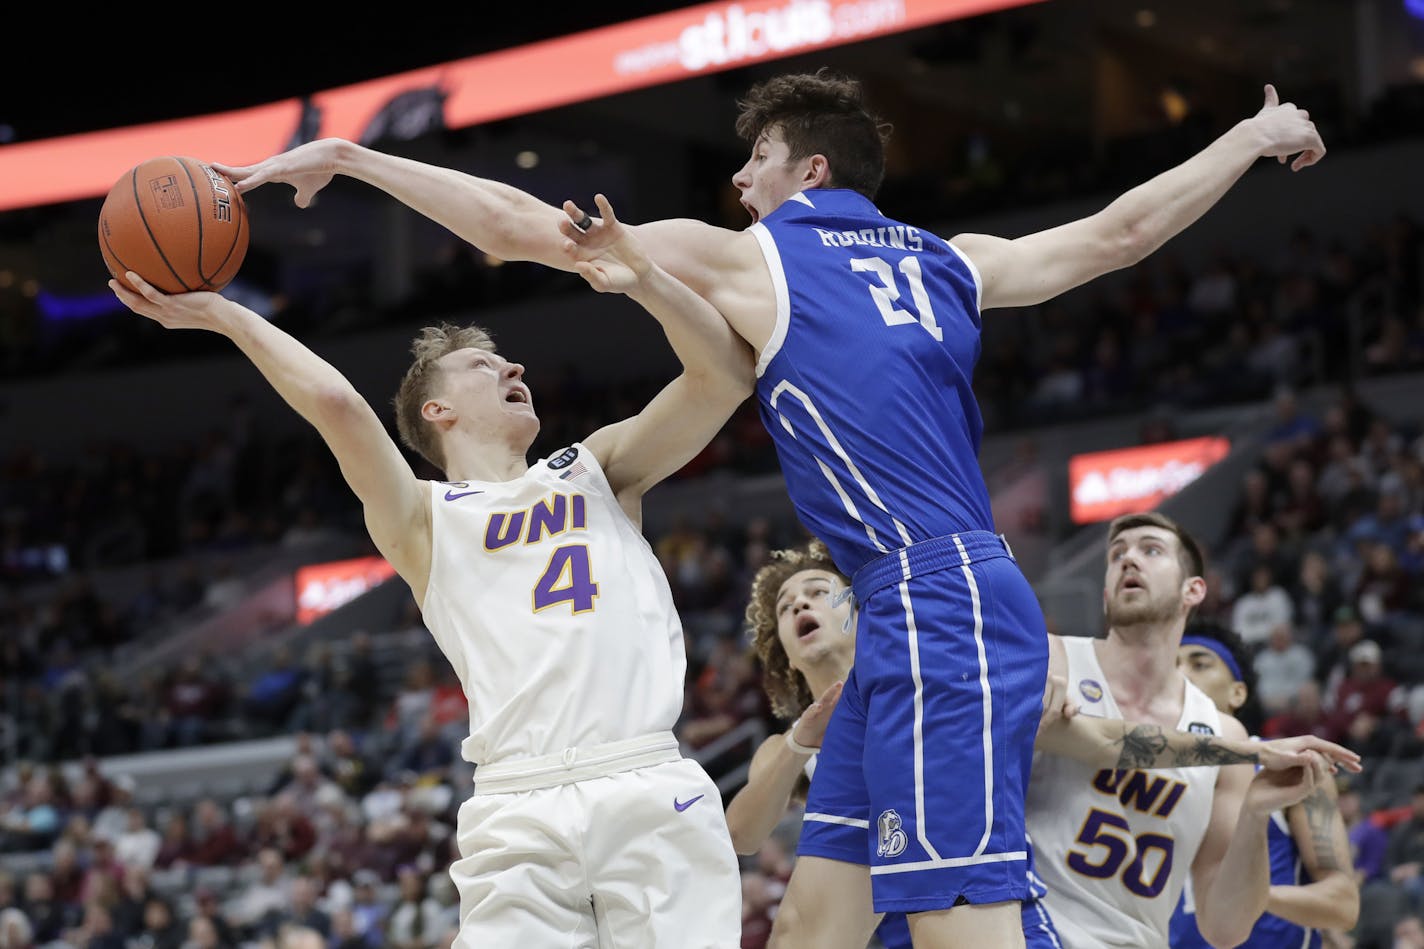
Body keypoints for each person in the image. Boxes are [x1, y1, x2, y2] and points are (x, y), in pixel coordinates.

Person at [219, 70, 1325, 948]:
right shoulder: (946, 259)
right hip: (898, 611)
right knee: (808, 923)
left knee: (957, 925)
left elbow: (516, 230)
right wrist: (1244, 139)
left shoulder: (761, 256)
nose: (736, 185)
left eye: (750, 162)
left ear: (802, 168)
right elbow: (1117, 235)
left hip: (938, 594)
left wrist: (356, 158)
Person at [104, 195, 753, 947]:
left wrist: (643, 275)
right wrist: (224, 314)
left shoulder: (596, 468)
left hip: (643, 772)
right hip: (518, 801)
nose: (513, 364)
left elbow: (722, 377)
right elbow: (335, 402)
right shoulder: (421, 517)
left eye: (508, 360)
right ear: (438, 410)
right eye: (483, 364)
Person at [732, 538, 1359, 948]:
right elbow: (741, 836)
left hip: (1002, 921)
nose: (801, 605)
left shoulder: (955, 687)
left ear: (869, 607)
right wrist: (797, 746)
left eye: (817, 591)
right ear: (780, 647)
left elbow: (1110, 741)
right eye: (786, 605)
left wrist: (1246, 753)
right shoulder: (789, 747)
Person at [1024, 512, 1343, 949]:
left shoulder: (1222, 731)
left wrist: (1255, 814)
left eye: (1150, 550)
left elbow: (1224, 927)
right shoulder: (1053, 656)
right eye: (1117, 554)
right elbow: (1100, 743)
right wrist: (1246, 753)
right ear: (1104, 594)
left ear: (1193, 589)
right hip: (1033, 931)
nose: (1128, 560)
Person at [1169, 620, 1359, 947]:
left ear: (1237, 693)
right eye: (1172, 666)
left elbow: (1342, 903)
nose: (1182, 675)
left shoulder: (1288, 766)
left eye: (1200, 664)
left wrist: (1242, 894)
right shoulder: (1140, 776)